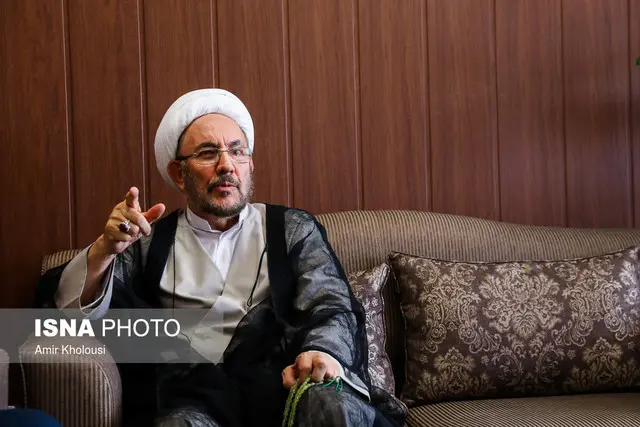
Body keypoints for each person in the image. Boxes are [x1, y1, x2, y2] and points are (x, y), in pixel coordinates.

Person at [43, 89, 405, 427]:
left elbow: (330, 303)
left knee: (330, 405)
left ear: (250, 164)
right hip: (195, 399)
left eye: (237, 151)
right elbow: (77, 311)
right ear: (178, 174)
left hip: (285, 385)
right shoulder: (149, 241)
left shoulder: (292, 229)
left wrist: (321, 351)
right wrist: (104, 250)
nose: (226, 165)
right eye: (207, 153)